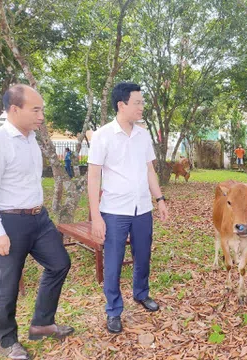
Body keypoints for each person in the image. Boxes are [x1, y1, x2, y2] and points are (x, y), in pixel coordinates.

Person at [0, 84, 73, 360]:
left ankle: (42, 323)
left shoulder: (30, 138)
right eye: (36, 109)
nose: (41, 115)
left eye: (42, 109)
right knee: (7, 283)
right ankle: (7, 341)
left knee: (59, 263)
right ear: (14, 110)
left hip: (38, 219)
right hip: (9, 221)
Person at [87, 81, 168, 334]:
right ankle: (113, 309)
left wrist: (160, 200)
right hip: (114, 211)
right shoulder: (102, 136)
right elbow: (93, 177)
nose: (142, 107)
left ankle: (141, 293)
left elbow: (149, 170)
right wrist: (96, 216)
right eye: (138, 103)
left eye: (142, 102)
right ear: (122, 105)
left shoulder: (143, 135)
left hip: (142, 208)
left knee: (143, 256)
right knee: (113, 262)